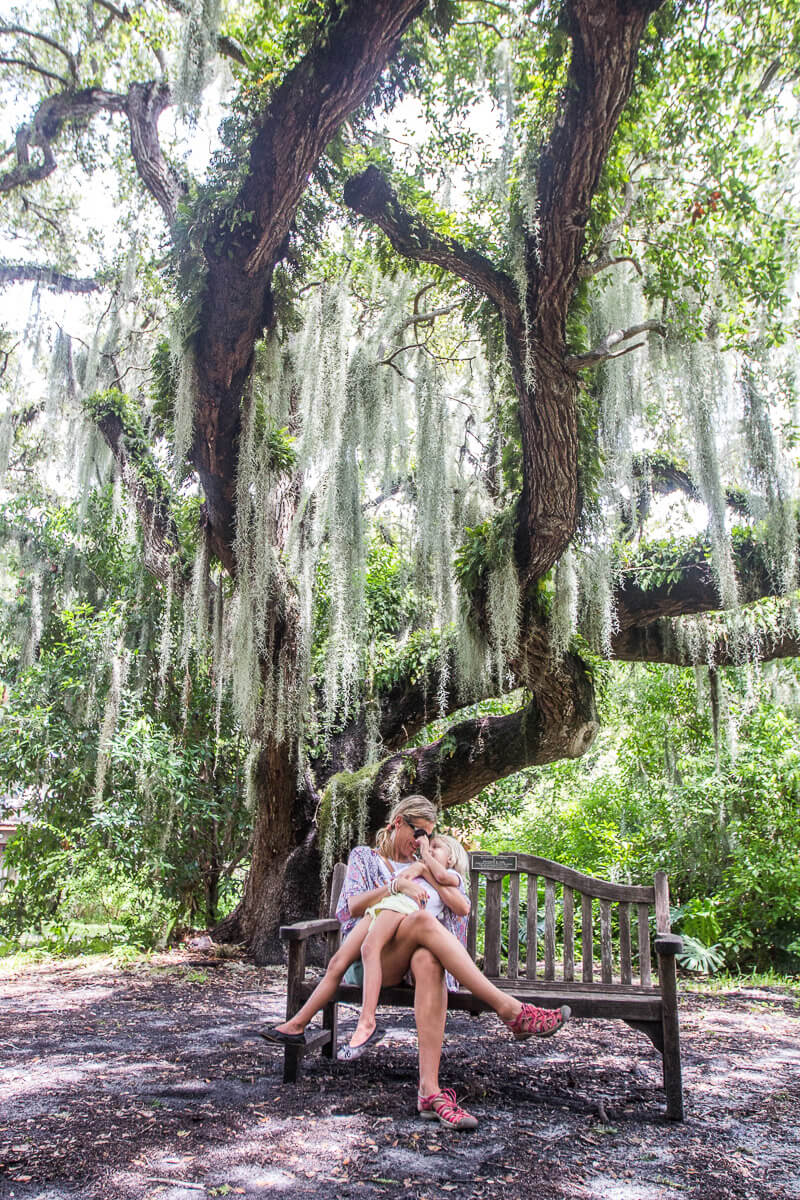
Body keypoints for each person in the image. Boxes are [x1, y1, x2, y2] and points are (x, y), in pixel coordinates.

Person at [262, 796, 570, 1130]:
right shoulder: (366, 857)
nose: (421, 841)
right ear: (397, 823)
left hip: (412, 963)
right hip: (374, 960)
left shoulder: (431, 868)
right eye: (418, 832)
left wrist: (427, 866)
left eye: (429, 836)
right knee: (423, 923)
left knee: (428, 959)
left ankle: (430, 1091)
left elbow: (460, 906)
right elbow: (350, 908)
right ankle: (510, 1011)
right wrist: (396, 885)